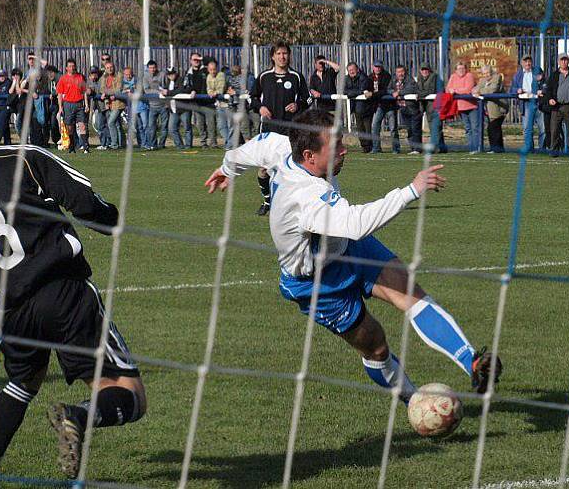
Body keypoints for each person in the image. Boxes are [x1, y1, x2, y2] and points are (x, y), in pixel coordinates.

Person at [204, 109, 502, 404]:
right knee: (376, 347)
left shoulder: (283, 146)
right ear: (309, 156)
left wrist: (227, 169)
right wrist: (411, 190)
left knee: (410, 292)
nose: (345, 151)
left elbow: (253, 147)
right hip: (316, 284)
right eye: (336, 148)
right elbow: (357, 224)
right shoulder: (305, 198)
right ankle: (416, 403)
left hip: (345, 247)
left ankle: (473, 362)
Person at [0, 91, 145, 488]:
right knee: (129, 392)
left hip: (12, 311)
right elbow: (82, 200)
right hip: (63, 290)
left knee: (23, 381)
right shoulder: (19, 157)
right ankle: (79, 416)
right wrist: (109, 220)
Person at [249, 41, 308, 216]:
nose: (282, 57)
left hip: (291, 129)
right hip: (268, 129)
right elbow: (251, 98)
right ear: (273, 56)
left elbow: (309, 98)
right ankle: (267, 201)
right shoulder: (264, 77)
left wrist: (298, 105)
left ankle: (294, 204)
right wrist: (259, 107)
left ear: (289, 56)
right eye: (279, 54)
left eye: (285, 53)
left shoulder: (296, 77)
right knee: (263, 168)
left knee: (293, 167)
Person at [510, 55, 546, 152]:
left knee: (543, 128)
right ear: (521, 63)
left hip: (538, 103)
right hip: (526, 103)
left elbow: (545, 84)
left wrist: (542, 90)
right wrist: (517, 90)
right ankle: (530, 149)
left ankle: (542, 148)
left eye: (529, 61)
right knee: (527, 129)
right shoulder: (518, 75)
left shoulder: (538, 71)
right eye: (525, 61)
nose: (527, 63)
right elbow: (511, 89)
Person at [57, 59, 90, 154]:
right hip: (68, 104)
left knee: (82, 125)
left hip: (79, 104)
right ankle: (71, 147)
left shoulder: (80, 77)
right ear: (67, 68)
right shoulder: (63, 79)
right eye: (70, 66)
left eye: (73, 66)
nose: (71, 68)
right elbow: (59, 94)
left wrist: (86, 104)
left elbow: (84, 92)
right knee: (70, 127)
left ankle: (85, 147)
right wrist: (60, 107)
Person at [447, 61, 479, 153]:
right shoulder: (453, 77)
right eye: (459, 68)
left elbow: (468, 89)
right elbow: (448, 88)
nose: (461, 70)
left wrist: (455, 90)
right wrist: (452, 90)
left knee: (475, 128)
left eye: (463, 68)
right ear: (455, 70)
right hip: (460, 107)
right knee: (468, 128)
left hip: (472, 106)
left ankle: (476, 147)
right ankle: (471, 147)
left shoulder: (469, 76)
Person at [343, 62, 375, 153]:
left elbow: (362, 89)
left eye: (353, 70)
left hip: (366, 107)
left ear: (357, 69)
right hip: (357, 108)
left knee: (367, 128)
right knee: (360, 128)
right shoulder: (347, 79)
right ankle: (365, 147)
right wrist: (354, 93)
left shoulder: (364, 77)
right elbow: (344, 90)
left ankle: (370, 147)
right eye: (349, 70)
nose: (351, 72)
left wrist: (351, 93)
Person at [477, 65, 508, 154]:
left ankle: (496, 148)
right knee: (492, 128)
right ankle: (496, 148)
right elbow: (476, 89)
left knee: (494, 127)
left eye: (487, 73)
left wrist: (480, 91)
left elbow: (492, 89)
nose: (486, 75)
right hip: (489, 109)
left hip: (499, 107)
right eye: (484, 73)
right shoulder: (482, 80)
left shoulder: (497, 77)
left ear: (491, 72)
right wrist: (477, 91)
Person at [184, 53, 212, 148]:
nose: (196, 61)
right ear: (190, 61)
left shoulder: (205, 70)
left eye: (198, 59)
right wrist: (192, 90)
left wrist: (201, 58)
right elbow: (187, 86)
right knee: (200, 124)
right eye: (194, 59)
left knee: (211, 123)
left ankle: (213, 142)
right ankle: (203, 143)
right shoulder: (188, 73)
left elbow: (213, 61)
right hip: (197, 102)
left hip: (208, 102)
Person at [391, 65, 421, 154]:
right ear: (396, 73)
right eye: (398, 72)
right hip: (403, 108)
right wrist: (392, 92)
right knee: (409, 129)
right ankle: (413, 148)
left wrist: (399, 92)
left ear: (405, 72)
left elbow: (412, 89)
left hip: (412, 108)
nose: (400, 74)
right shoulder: (394, 80)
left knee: (415, 129)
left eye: (402, 71)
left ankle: (417, 148)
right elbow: (388, 89)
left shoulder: (409, 80)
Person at [417, 64, 446, 153]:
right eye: (423, 70)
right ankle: (442, 148)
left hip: (436, 105)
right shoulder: (419, 78)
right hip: (427, 105)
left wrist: (419, 95)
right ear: (420, 71)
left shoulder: (435, 78)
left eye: (426, 69)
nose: (424, 71)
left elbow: (431, 90)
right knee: (435, 127)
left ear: (429, 70)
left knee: (435, 127)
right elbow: (416, 89)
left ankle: (434, 147)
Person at [370, 61, 397, 154]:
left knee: (393, 128)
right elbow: (367, 87)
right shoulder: (370, 77)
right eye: (376, 66)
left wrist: (373, 94)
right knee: (375, 126)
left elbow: (385, 90)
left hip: (389, 105)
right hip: (379, 105)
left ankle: (395, 148)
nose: (377, 68)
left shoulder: (387, 76)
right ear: (373, 67)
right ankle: (376, 148)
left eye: (379, 67)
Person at [143, 60, 168, 150]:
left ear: (156, 67)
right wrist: (159, 92)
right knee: (151, 127)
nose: (152, 69)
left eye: (154, 67)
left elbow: (166, 87)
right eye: (150, 68)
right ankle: (153, 145)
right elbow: (146, 90)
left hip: (163, 105)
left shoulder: (162, 74)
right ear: (148, 68)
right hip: (152, 105)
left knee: (164, 126)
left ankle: (161, 144)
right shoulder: (145, 76)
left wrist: (163, 92)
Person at [165, 67, 192, 149]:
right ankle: (179, 145)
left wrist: (168, 92)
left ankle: (188, 145)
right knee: (172, 128)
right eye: (169, 74)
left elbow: (181, 90)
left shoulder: (181, 80)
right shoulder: (168, 83)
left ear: (176, 73)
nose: (171, 76)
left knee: (187, 127)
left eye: (172, 74)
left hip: (184, 107)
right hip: (173, 109)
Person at [206, 59, 230, 149]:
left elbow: (221, 88)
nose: (212, 72)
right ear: (208, 69)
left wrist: (215, 92)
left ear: (217, 69)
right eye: (211, 70)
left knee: (230, 125)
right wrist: (210, 92)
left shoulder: (221, 75)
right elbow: (208, 88)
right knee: (221, 126)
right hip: (220, 104)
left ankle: (231, 143)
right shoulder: (208, 77)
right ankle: (230, 142)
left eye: (214, 69)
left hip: (228, 104)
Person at [100, 62, 124, 150]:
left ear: (114, 67)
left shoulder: (119, 75)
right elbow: (102, 88)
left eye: (111, 67)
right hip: (109, 103)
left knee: (111, 122)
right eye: (107, 67)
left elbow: (118, 89)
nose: (110, 69)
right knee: (117, 124)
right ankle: (121, 144)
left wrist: (106, 93)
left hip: (118, 103)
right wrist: (107, 93)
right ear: (105, 69)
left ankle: (114, 144)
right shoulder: (104, 77)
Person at [122, 66, 146, 148]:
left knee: (143, 126)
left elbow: (141, 91)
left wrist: (131, 91)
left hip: (141, 106)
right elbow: (121, 91)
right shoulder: (123, 81)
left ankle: (144, 143)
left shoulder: (137, 80)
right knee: (133, 127)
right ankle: (135, 143)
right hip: (131, 107)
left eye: (129, 74)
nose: (128, 76)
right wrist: (128, 91)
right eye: (126, 74)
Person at [88, 66, 110, 151]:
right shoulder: (91, 82)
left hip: (104, 106)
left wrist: (99, 94)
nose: (93, 76)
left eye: (95, 73)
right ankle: (105, 143)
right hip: (97, 107)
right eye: (92, 74)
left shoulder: (101, 80)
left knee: (102, 126)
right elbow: (91, 91)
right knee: (100, 126)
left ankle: (105, 143)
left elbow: (103, 92)